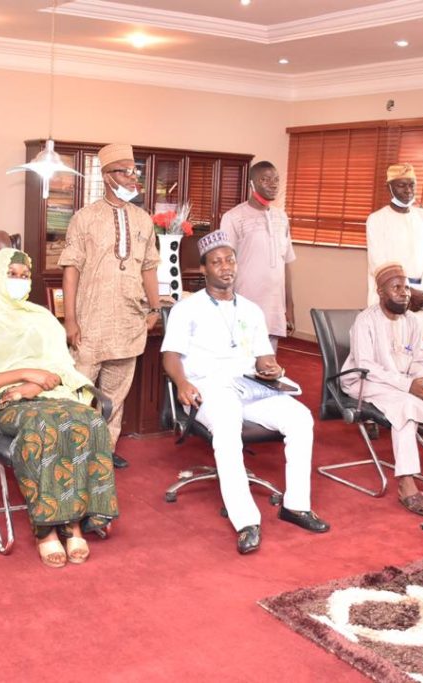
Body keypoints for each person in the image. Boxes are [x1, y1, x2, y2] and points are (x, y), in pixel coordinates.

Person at [161, 231, 329, 555]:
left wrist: (271, 369)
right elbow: (170, 356)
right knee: (227, 423)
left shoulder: (251, 310)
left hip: (248, 385)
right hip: (208, 388)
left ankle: (296, 505)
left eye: (230, 260)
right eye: (217, 262)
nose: (226, 267)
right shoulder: (187, 308)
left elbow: (263, 356)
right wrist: (182, 383)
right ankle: (246, 520)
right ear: (204, 269)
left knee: (300, 417)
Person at [0, 248, 118, 568]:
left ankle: (75, 522)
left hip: (50, 393)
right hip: (3, 402)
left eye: (24, 275)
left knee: (90, 420)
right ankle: (46, 529)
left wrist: (37, 385)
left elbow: (62, 367)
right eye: (11, 274)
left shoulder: (43, 318)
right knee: (43, 427)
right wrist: (25, 375)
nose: (19, 280)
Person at [341, 262, 423, 517]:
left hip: (404, 383)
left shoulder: (411, 320)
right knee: (405, 407)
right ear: (381, 292)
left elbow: (421, 359)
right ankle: (406, 482)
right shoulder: (365, 321)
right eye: (396, 288)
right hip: (365, 381)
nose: (404, 293)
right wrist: (408, 385)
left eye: (406, 287)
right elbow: (366, 366)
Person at [60, 142, 161, 469]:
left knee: (116, 396)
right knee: (80, 392)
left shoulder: (143, 219)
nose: (132, 178)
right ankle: (75, 452)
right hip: (91, 321)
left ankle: (104, 449)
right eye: (124, 172)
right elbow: (71, 269)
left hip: (129, 321)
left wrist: (155, 309)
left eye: (134, 171)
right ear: (106, 176)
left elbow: (149, 267)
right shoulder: (84, 218)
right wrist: (70, 319)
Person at [220, 160, 296, 350]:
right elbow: (223, 266)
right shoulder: (233, 217)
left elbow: (286, 264)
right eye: (265, 179)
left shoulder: (282, 217)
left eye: (276, 179)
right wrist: (225, 307)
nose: (273, 184)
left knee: (268, 361)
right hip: (244, 304)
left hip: (274, 308)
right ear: (252, 184)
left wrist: (289, 306)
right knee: (242, 361)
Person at [365, 163, 423, 338]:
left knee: (415, 349)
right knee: (388, 348)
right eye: (401, 185)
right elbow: (378, 264)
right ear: (389, 187)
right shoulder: (377, 219)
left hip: (420, 299)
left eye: (412, 185)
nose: (408, 190)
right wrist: (407, 292)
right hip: (389, 296)